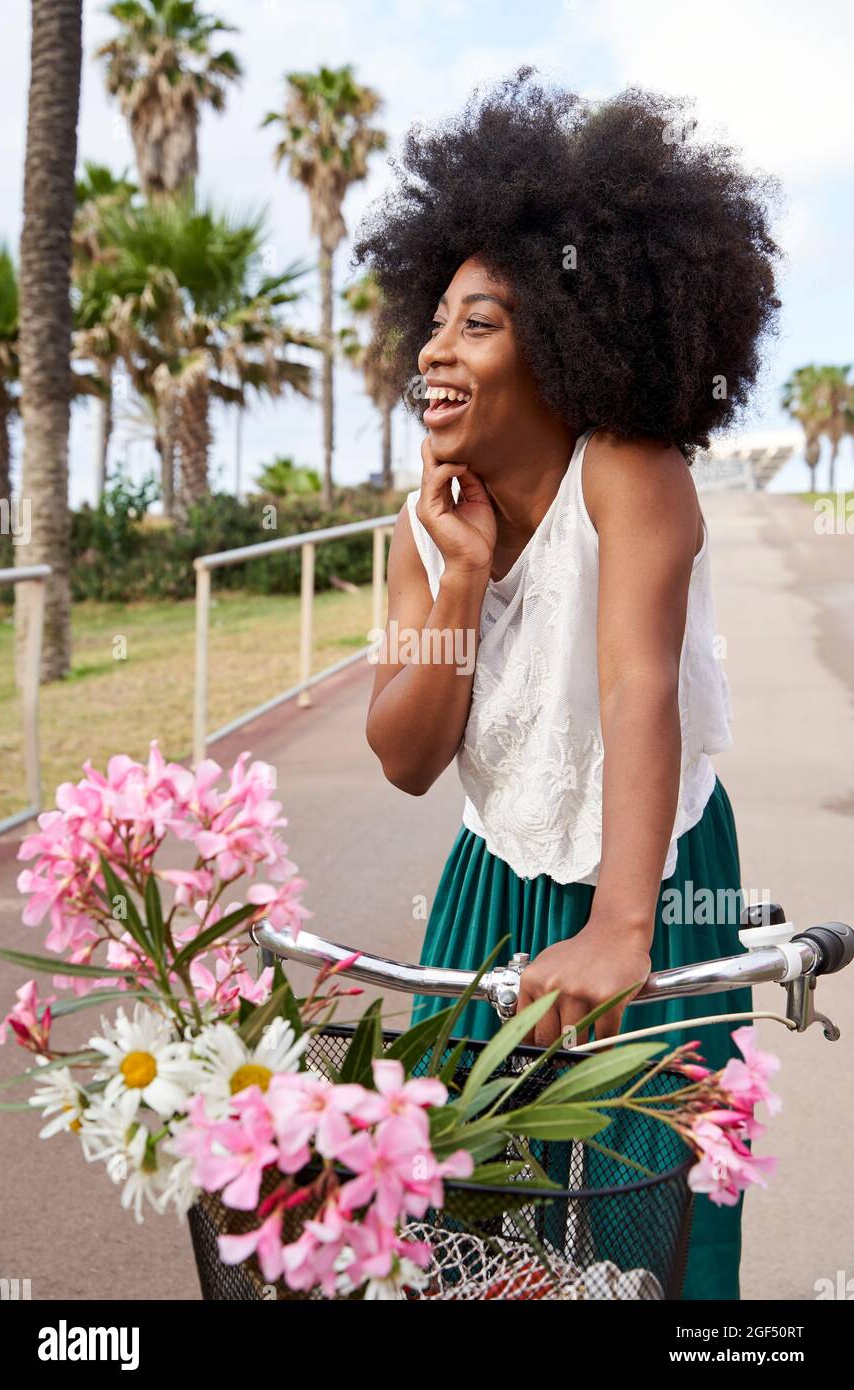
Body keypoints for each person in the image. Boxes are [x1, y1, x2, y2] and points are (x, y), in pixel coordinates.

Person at [355, 68, 781, 1300]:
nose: (432, 348)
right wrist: (458, 582)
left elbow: (635, 683)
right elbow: (403, 755)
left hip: (650, 880)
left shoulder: (629, 474)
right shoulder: (425, 527)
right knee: (475, 1219)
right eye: (432, 320)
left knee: (648, 1224)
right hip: (490, 886)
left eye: (475, 324)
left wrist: (622, 927)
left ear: (564, 346)